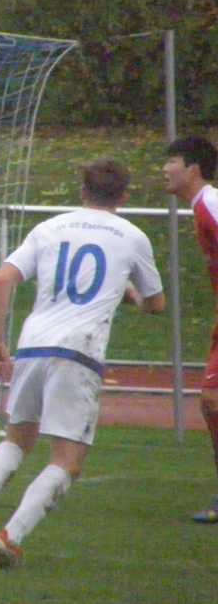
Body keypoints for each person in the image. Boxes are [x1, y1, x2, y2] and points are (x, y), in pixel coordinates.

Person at [0, 158, 165, 570]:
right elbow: (156, 303)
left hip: (33, 344)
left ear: (82, 192)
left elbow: (2, 279)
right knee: (68, 459)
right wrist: (131, 297)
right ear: (124, 197)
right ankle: (10, 537)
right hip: (78, 351)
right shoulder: (133, 236)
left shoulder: (49, 227)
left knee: (18, 437)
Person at [162, 135, 218, 522]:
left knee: (212, 400)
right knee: (211, 402)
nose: (164, 169)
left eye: (172, 162)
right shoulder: (202, 206)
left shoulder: (210, 202)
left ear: (193, 169)